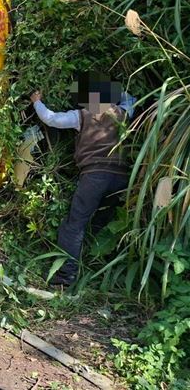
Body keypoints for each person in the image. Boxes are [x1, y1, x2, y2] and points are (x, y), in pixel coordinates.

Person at [30, 73, 135, 286]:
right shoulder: (123, 112)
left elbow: (51, 118)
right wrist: (117, 90)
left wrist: (36, 101)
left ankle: (65, 276)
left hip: (95, 176)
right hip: (122, 177)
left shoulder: (83, 115)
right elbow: (130, 98)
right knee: (103, 221)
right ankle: (98, 266)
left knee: (74, 224)